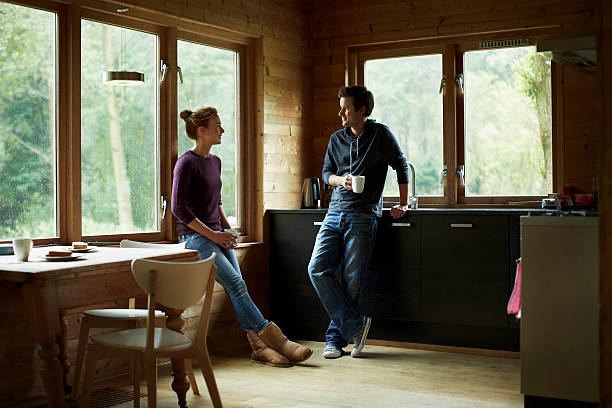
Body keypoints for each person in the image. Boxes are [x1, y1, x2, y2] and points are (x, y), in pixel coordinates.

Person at [172, 106, 312, 367]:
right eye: (217, 126)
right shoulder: (186, 162)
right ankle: (278, 341)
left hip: (218, 235)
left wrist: (228, 230)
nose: (222, 130)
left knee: (238, 286)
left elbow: (216, 202)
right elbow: (179, 209)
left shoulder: (215, 161)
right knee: (236, 284)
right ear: (201, 131)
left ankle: (258, 347)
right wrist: (213, 235)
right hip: (194, 239)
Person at [308, 86, 410, 359]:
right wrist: (342, 180)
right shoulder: (336, 139)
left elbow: (400, 164)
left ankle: (333, 340)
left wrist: (403, 203)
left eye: (346, 107)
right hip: (334, 212)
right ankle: (356, 325)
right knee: (317, 269)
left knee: (351, 280)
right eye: (341, 107)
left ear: (362, 110)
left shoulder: (380, 135)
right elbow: (327, 173)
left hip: (363, 215)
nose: (340, 112)